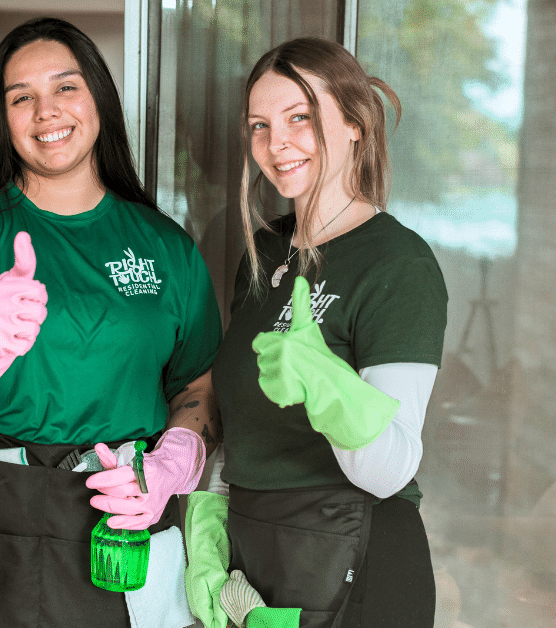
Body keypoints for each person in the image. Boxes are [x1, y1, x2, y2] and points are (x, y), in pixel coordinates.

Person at [0, 16, 222, 628]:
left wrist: (171, 464)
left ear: (99, 97)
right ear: (2, 119)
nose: (45, 111)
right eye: (21, 97)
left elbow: (197, 386)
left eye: (65, 87)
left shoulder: (166, 247)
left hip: (123, 519)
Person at [187, 38, 448, 628]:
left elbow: (392, 467)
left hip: (361, 559)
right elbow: (244, 421)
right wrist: (209, 526)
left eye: (300, 117)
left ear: (355, 124)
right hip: (264, 554)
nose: (276, 143)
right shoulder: (265, 253)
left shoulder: (397, 263)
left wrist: (330, 388)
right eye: (260, 125)